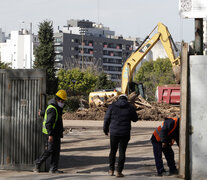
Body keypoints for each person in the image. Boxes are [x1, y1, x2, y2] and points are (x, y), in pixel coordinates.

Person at [103, 94, 138, 177]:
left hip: (114, 133)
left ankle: (111, 170)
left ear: (118, 98)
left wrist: (105, 130)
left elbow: (106, 119)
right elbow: (135, 119)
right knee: (122, 152)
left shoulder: (112, 106)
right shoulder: (129, 106)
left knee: (113, 151)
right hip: (125, 133)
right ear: (126, 99)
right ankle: (119, 171)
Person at [33, 89, 67, 173]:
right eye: (62, 100)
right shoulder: (53, 108)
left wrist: (41, 113)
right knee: (50, 150)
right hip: (52, 134)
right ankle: (37, 163)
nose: (63, 102)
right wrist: (50, 135)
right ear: (58, 99)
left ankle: (53, 169)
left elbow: (45, 112)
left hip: (56, 133)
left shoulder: (56, 107)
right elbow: (48, 123)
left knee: (56, 151)